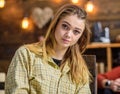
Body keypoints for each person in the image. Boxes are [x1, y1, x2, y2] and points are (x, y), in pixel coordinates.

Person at [5, 4, 92, 94]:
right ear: (55, 25)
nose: (68, 34)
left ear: (81, 36)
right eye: (65, 26)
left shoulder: (80, 69)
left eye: (76, 31)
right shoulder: (26, 55)